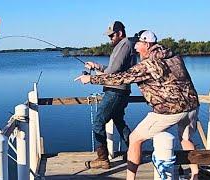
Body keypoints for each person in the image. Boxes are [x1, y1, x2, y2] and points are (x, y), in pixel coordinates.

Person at [75, 30, 199, 180]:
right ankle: (195, 174)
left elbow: (122, 77)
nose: (135, 47)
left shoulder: (148, 65)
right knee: (186, 139)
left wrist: (91, 79)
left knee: (135, 139)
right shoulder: (175, 57)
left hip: (170, 110)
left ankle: (130, 178)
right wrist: (100, 69)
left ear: (147, 44)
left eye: (138, 44)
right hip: (192, 106)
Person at [82, 21, 137, 169]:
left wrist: (91, 78)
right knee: (119, 121)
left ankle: (103, 159)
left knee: (98, 122)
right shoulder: (122, 45)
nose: (110, 38)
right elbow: (113, 69)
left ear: (119, 33)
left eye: (112, 35)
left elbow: (113, 71)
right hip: (119, 90)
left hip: (115, 91)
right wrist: (96, 66)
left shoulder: (125, 44)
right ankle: (134, 150)